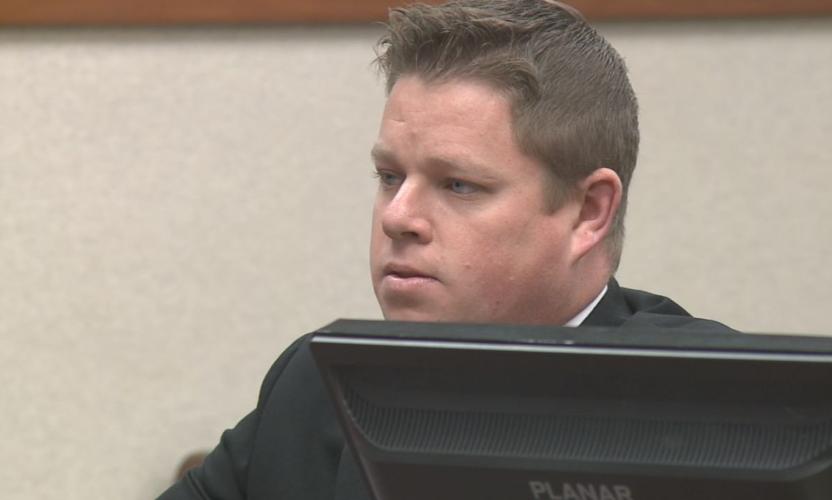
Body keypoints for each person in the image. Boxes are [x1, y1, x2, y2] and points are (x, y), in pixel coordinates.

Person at [158, 1, 730, 498]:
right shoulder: (319, 381)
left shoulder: (712, 404)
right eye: (389, 177)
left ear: (588, 212)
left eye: (458, 184)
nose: (398, 216)